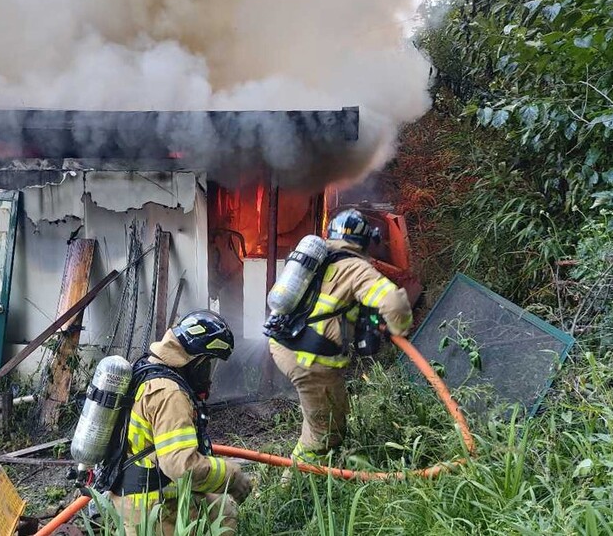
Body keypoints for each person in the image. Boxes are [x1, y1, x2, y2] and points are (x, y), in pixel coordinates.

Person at [268, 209, 414, 468]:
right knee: (326, 433)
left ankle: (312, 441)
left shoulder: (320, 256)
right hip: (310, 358)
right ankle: (298, 489)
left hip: (284, 344)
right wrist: (399, 328)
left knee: (321, 411)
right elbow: (394, 302)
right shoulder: (356, 267)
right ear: (365, 241)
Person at [108, 310, 252, 535]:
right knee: (223, 524)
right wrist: (232, 477)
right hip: (155, 508)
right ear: (197, 360)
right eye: (209, 363)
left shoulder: (146, 367)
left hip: (138, 492)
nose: (209, 375)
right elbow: (182, 467)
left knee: (223, 510)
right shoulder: (170, 393)